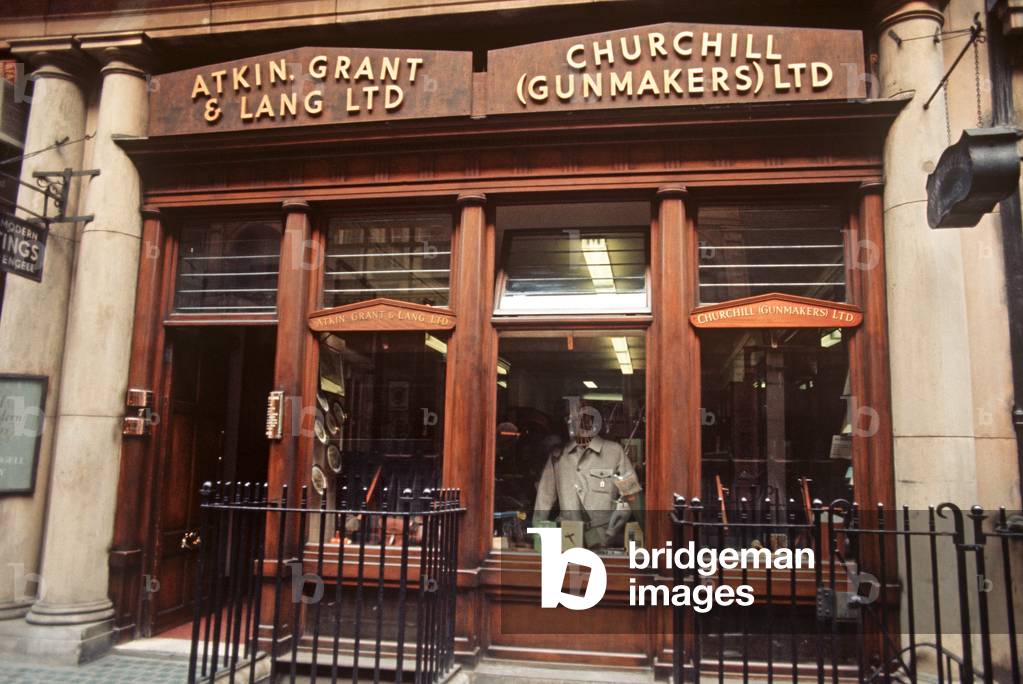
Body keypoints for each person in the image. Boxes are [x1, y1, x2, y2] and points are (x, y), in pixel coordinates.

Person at [532, 398, 642, 548]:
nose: (575, 423)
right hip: (568, 538)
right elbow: (544, 499)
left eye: (581, 417)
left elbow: (631, 495)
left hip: (603, 539)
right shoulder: (558, 456)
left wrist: (611, 531)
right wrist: (538, 538)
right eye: (570, 419)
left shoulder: (614, 452)